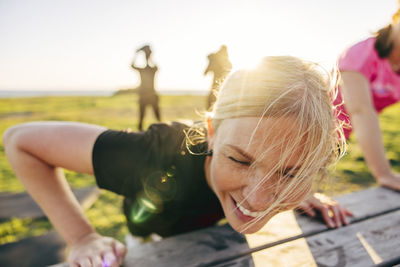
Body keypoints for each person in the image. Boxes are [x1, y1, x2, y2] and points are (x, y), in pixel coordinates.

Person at [3, 56, 351, 267]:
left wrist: (298, 192)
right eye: (239, 160)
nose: (258, 201)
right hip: (152, 240)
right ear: (212, 132)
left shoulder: (282, 173)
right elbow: (20, 141)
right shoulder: (154, 154)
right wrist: (81, 237)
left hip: (217, 235)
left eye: (291, 171)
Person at [333, 10, 400, 191]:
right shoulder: (362, 53)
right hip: (308, 126)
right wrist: (384, 174)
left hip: (341, 135)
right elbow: (361, 111)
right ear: (396, 17)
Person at [131, 44, 161, 131]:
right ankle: (141, 132)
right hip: (146, 96)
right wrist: (144, 55)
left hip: (149, 96)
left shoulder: (149, 69)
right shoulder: (146, 70)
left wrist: (139, 54)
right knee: (142, 118)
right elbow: (132, 66)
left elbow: (132, 65)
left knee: (156, 117)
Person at [204, 45, 232, 109]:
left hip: (221, 83)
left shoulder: (217, 59)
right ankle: (210, 110)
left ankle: (210, 110)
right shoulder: (218, 59)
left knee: (215, 96)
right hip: (220, 83)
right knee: (215, 95)